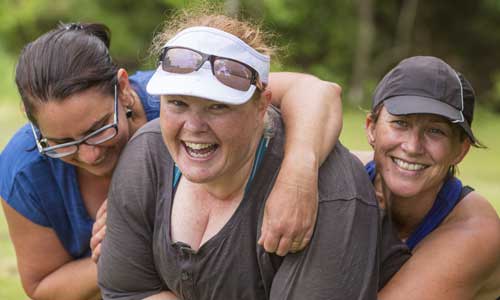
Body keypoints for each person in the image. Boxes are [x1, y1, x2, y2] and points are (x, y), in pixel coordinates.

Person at [0, 22, 342, 300]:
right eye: (63, 143)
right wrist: (129, 242)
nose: (89, 154)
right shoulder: (23, 169)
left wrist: (298, 174)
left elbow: (318, 91)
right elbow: (42, 286)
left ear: (124, 87)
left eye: (99, 129)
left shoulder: (179, 99)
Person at [97, 12, 410, 300]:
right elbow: (128, 291)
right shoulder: (149, 153)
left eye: (217, 106)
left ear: (262, 105)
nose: (193, 126)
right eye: (177, 103)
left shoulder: (332, 194)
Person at [354, 56, 500, 299]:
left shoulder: (476, 233)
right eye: (400, 123)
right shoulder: (346, 173)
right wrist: (300, 164)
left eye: (435, 131)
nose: (412, 147)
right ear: (371, 128)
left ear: (460, 150)